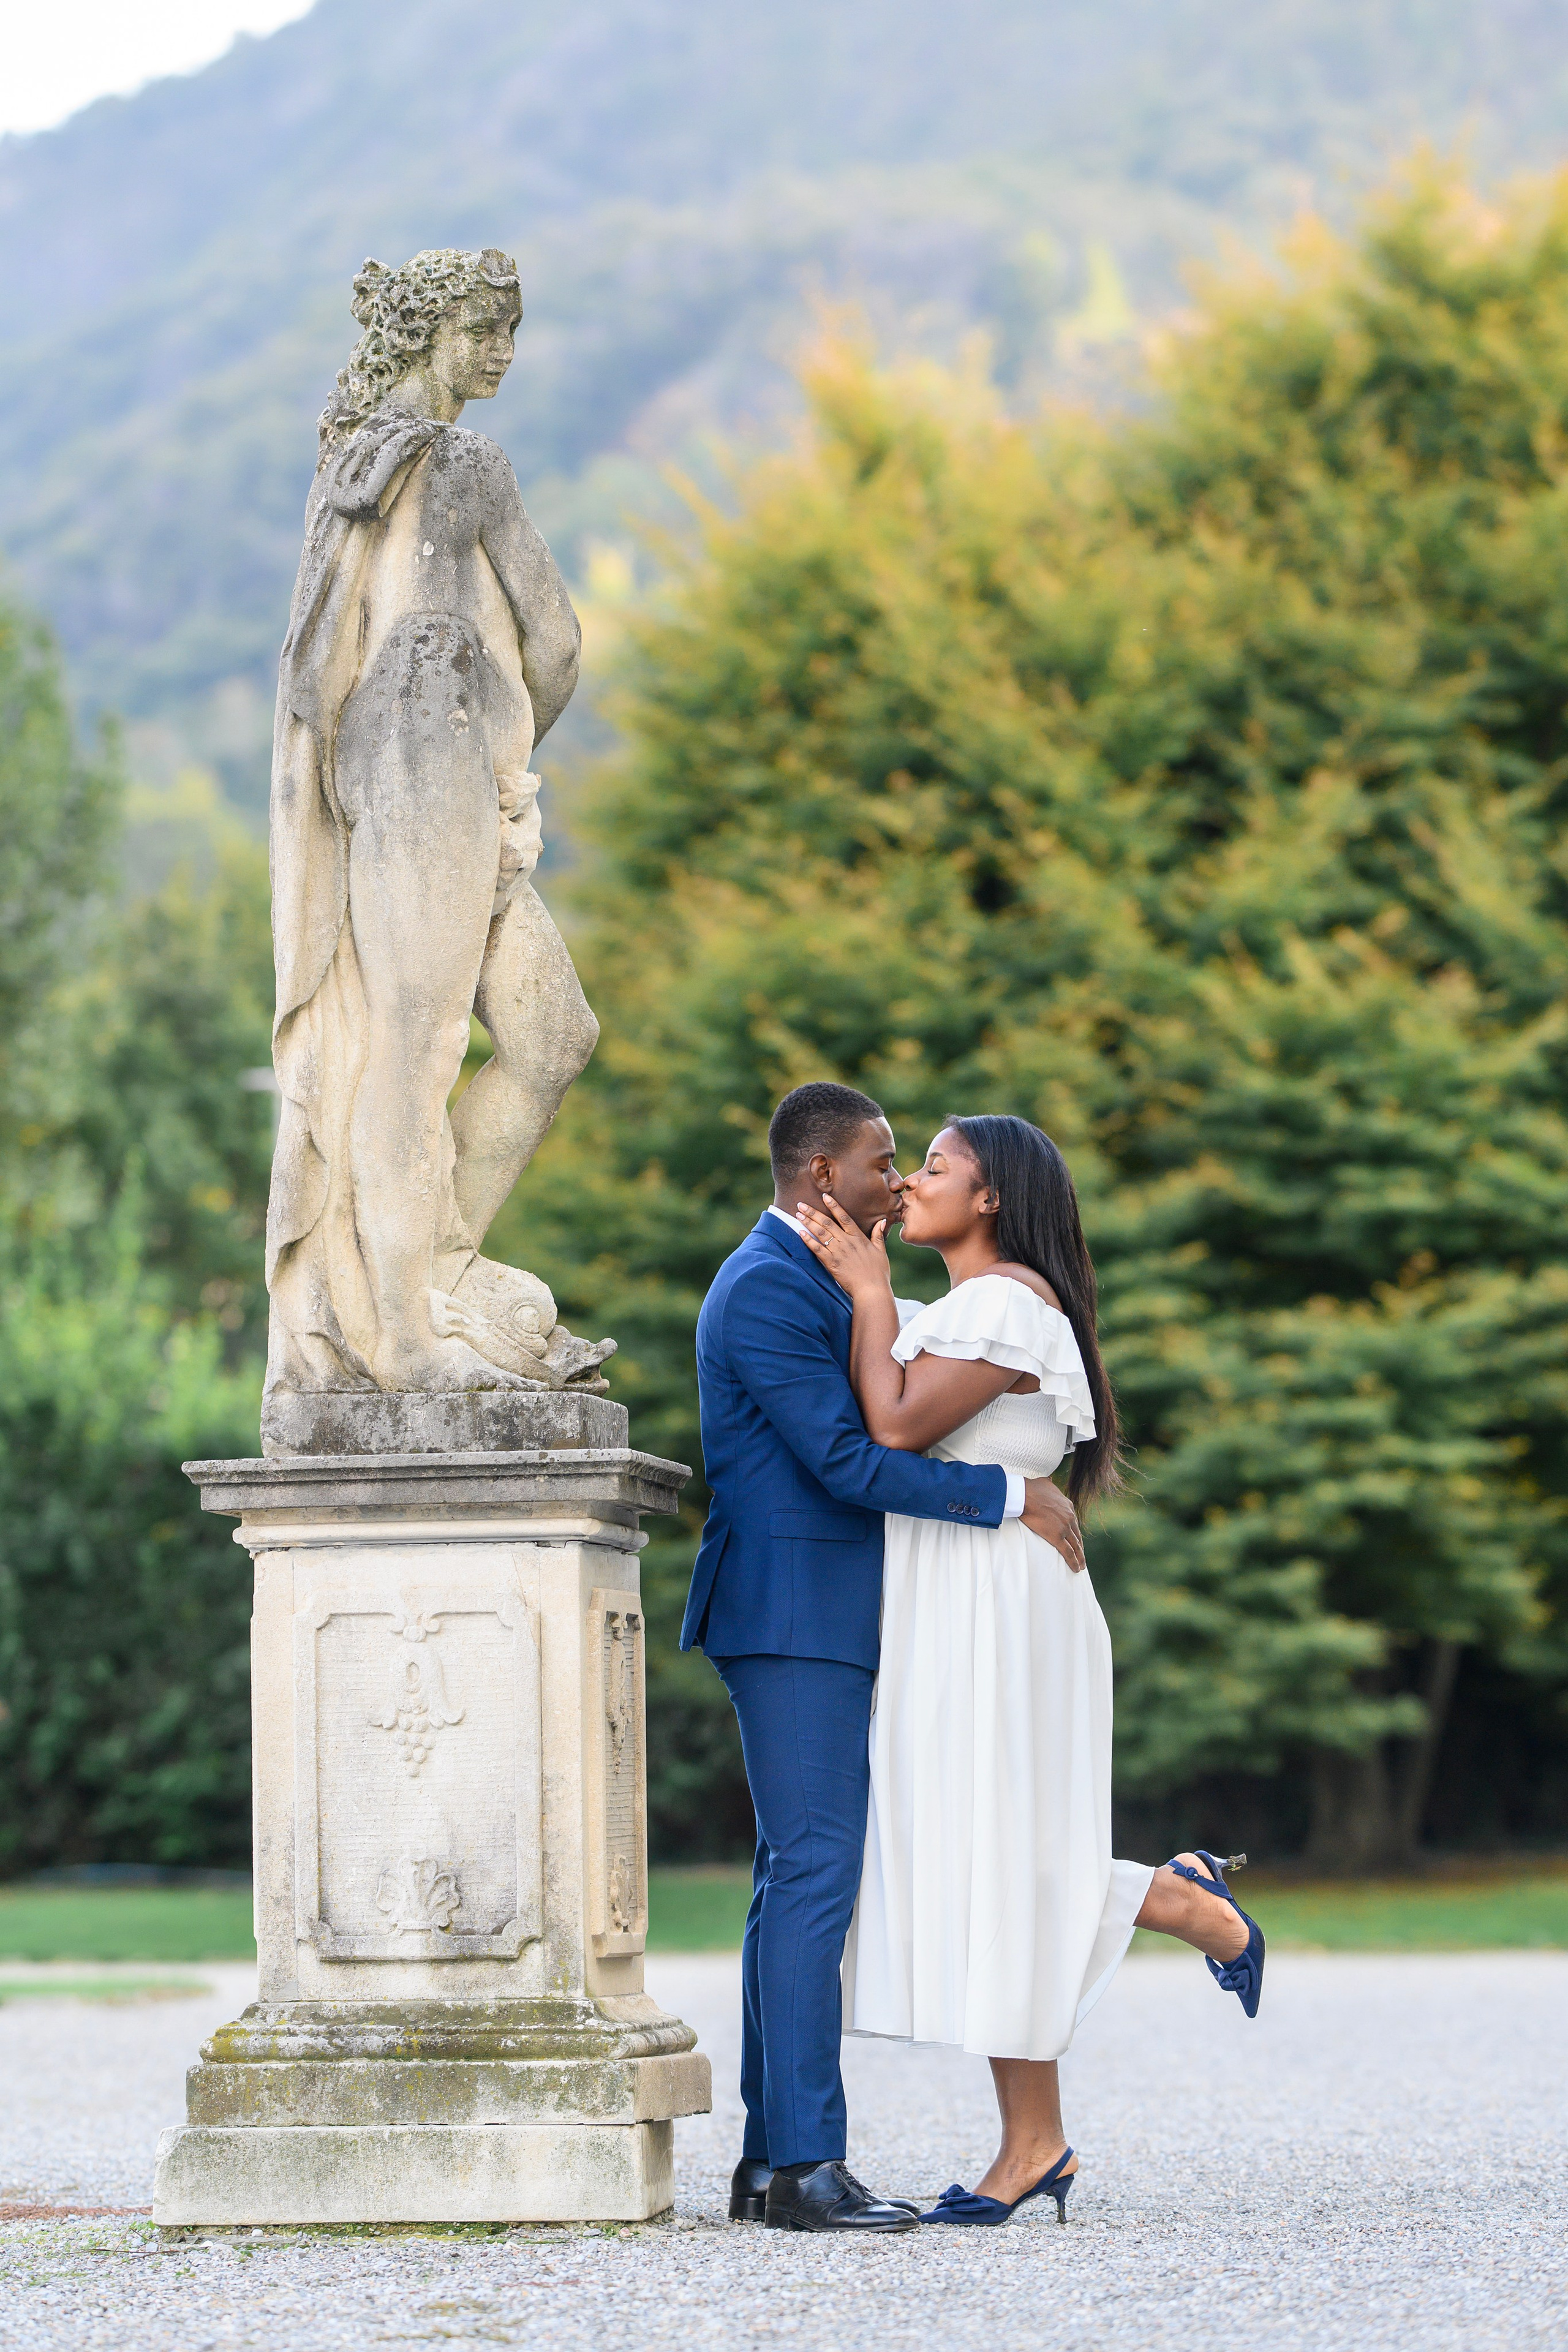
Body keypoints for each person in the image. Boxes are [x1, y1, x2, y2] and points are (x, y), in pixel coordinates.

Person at [795, 1114, 1266, 2227]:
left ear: (994, 1197)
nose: (911, 1183)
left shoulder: (1008, 1302)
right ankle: (1043, 2130)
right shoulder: (957, 1310)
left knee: (1000, 1854)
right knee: (979, 1856)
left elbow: (896, 1426)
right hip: (953, 1600)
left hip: (1001, 1612)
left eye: (939, 1168)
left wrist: (867, 1297)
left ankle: (1181, 1910)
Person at [683, 1083, 1086, 2234]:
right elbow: (852, 1464)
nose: (897, 1180)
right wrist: (1011, 1493)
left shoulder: (825, 1281)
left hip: (821, 1614)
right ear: (825, 1179)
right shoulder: (766, 1287)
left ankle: (772, 2168)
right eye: (882, 1163)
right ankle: (809, 2168)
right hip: (796, 1612)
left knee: (790, 1883)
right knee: (815, 1877)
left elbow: (913, 1393)